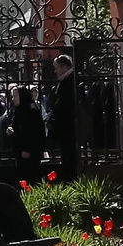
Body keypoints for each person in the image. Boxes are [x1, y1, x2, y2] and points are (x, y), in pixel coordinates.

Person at [45, 52, 82, 182]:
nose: (55, 71)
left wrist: (52, 117)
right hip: (67, 127)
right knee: (67, 157)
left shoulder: (70, 81)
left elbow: (63, 104)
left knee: (69, 157)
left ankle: (71, 181)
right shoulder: (66, 80)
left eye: (57, 68)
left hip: (69, 126)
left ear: (64, 67)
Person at [3, 86, 47, 184]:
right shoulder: (18, 111)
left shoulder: (32, 111)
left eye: (15, 96)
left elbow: (36, 134)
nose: (13, 99)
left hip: (30, 155)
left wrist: (28, 149)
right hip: (20, 153)